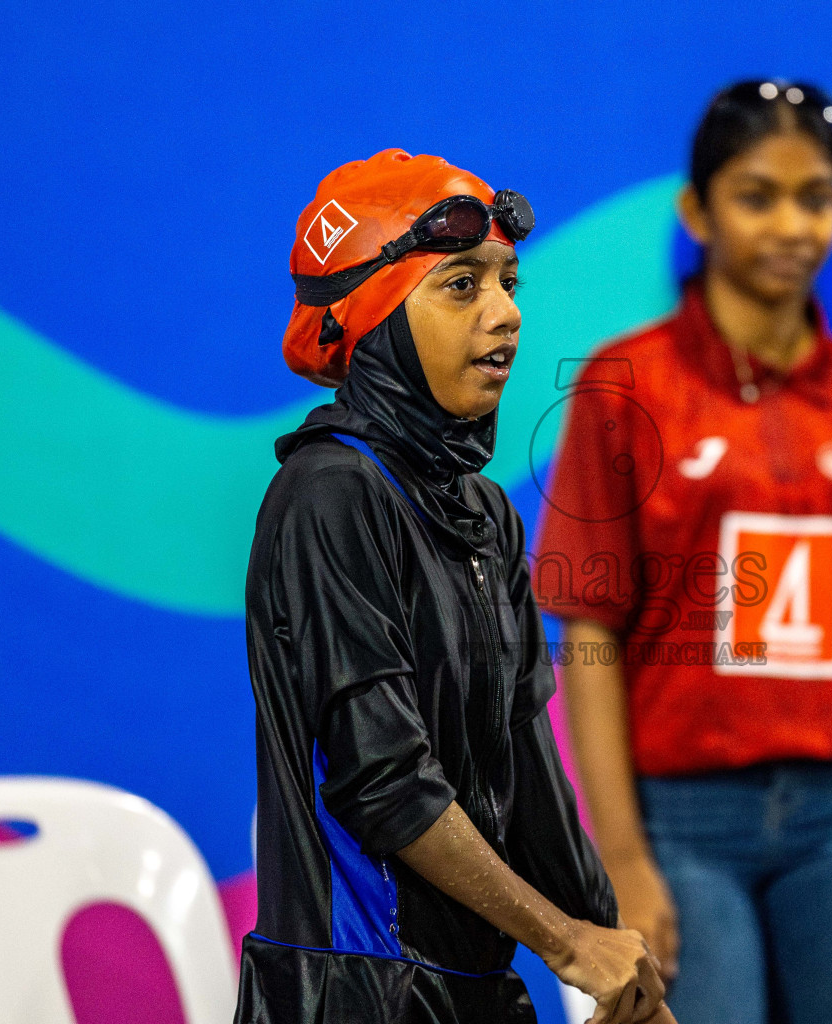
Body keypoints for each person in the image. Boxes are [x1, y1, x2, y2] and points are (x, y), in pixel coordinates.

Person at [535, 80, 832, 1024]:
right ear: (696, 210)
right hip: (683, 823)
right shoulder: (623, 386)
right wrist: (623, 857)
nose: (791, 225)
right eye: (756, 195)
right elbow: (588, 639)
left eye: (816, 198)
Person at [235, 149, 674, 1024]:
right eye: (462, 287)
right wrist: (563, 941)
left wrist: (618, 966)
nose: (508, 314)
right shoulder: (328, 496)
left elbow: (528, 773)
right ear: (374, 322)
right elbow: (384, 784)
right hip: (353, 992)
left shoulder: (480, 510)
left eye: (509, 283)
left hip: (471, 992)